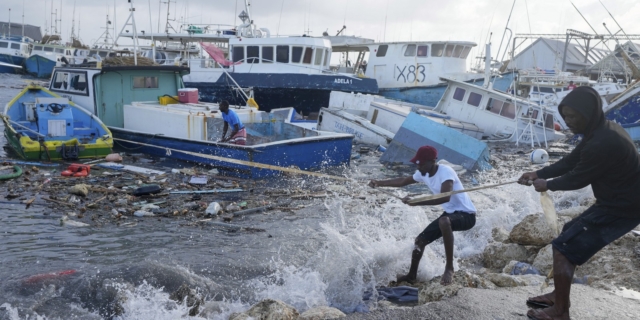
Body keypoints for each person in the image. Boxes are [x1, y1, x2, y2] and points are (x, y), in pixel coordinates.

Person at [518, 86, 640, 320]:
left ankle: (561, 311)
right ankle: (559, 294)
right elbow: (571, 161)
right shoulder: (600, 130)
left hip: (623, 208)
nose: (568, 122)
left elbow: (578, 178)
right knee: (567, 233)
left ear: (588, 112)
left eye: (573, 117)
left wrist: (547, 184)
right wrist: (538, 172)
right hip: (617, 201)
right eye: (565, 117)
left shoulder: (602, 142)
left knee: (563, 248)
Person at [369, 146, 477, 286]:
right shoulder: (423, 173)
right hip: (451, 215)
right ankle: (411, 275)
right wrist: (379, 183)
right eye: (417, 164)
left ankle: (449, 268)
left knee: (444, 221)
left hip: (467, 215)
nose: (418, 167)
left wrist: (417, 202)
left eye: (421, 164)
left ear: (433, 161)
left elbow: (444, 198)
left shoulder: (446, 172)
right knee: (420, 241)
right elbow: (403, 181)